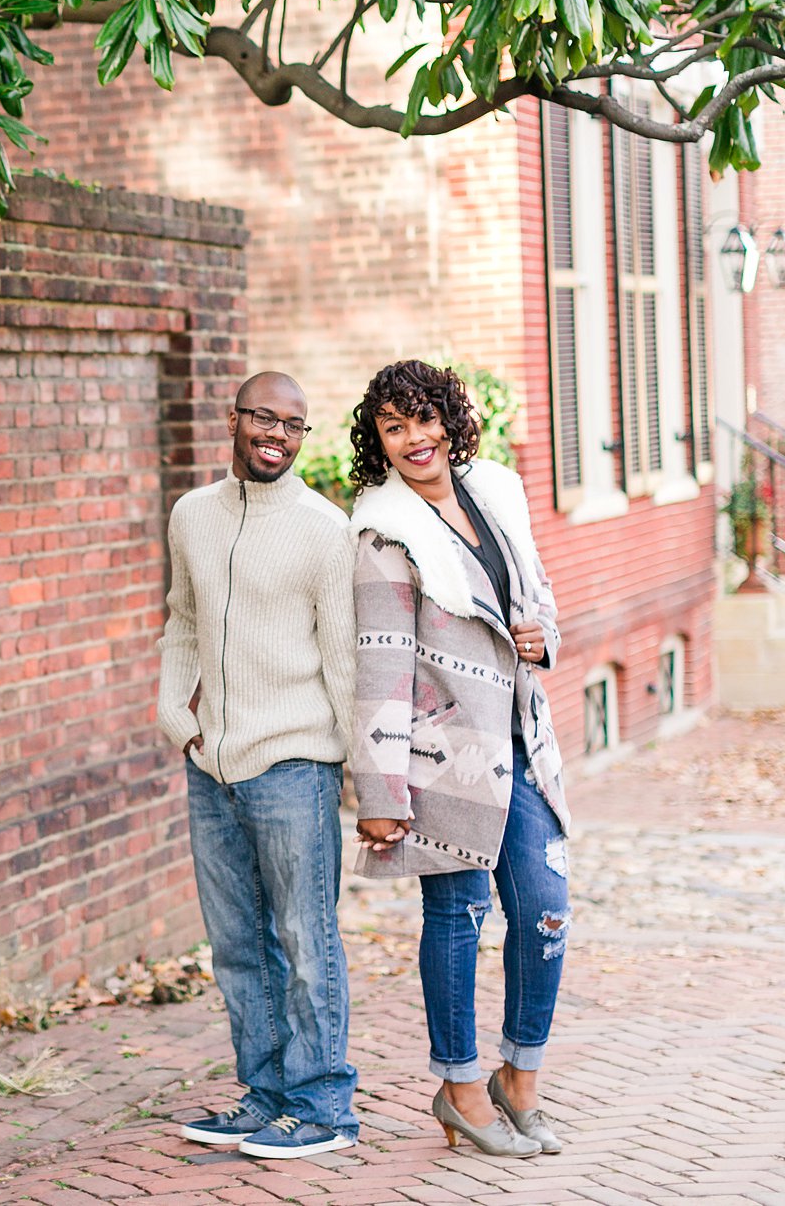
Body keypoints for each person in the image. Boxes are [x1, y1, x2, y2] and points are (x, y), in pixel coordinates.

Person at [345, 359, 571, 1159]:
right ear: (379, 441)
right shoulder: (383, 530)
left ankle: (521, 1076)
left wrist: (544, 634)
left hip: (518, 744)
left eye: (425, 419)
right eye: (394, 427)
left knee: (545, 908)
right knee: (458, 915)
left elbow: (534, 597)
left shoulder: (496, 494)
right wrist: (379, 788)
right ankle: (462, 1085)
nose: (415, 439)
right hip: (439, 757)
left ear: (449, 418)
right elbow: (378, 661)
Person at [158, 371, 362, 1160]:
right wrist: (177, 716)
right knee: (238, 942)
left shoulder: (323, 528)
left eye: (294, 424)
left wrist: (361, 777)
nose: (277, 433)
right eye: (264, 417)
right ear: (235, 419)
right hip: (211, 765)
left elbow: (344, 660)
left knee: (307, 941)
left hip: (296, 764)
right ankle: (267, 1095)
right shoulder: (192, 515)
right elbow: (181, 619)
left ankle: (324, 1106)